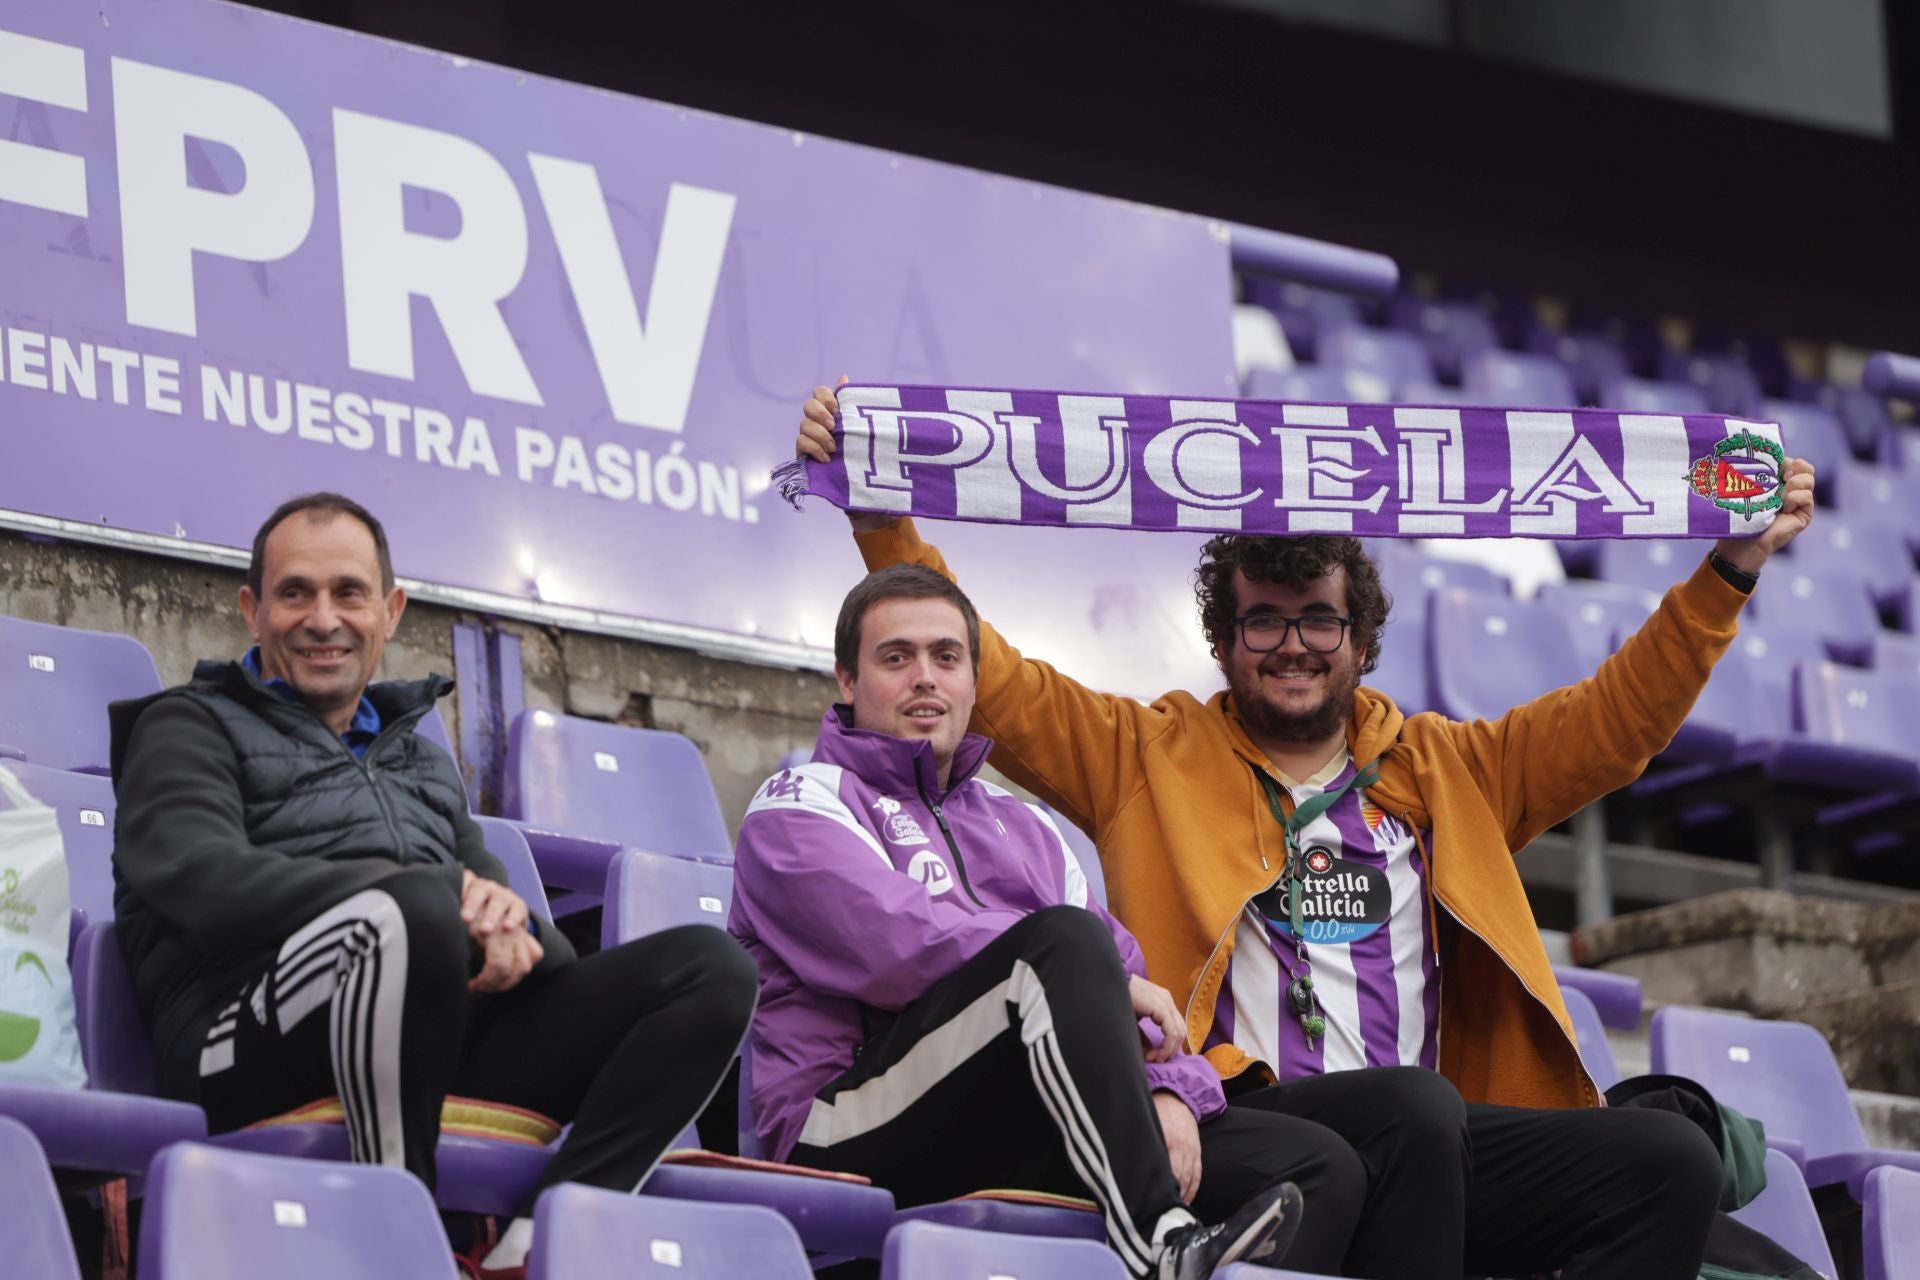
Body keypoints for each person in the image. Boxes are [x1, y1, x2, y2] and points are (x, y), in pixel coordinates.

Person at [794, 377, 1817, 1280]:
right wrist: (883, 515)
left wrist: (1727, 566)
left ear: (1360, 635)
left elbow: (1615, 722)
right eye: (1264, 622)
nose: (1293, 646)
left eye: (1318, 620)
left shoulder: (1452, 766)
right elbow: (994, 677)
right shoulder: (1142, 753)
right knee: (1414, 1109)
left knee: (1664, 1163)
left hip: (1438, 1139)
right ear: (1226, 640)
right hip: (1246, 1122)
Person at [110, 493, 758, 1280]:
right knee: (411, 909)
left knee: (710, 968)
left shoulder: (415, 759)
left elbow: (503, 912)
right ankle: (398, 1246)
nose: (323, 618)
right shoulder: (185, 725)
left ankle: (536, 1248)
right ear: (253, 610)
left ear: (390, 610)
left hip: (433, 1033)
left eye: (348, 593)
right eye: (294, 593)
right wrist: (424, 893)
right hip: (237, 1039)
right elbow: (201, 880)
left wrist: (512, 930)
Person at [729, 564, 1325, 1280]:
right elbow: (896, 943)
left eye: (946, 658)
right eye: (897, 658)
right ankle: (1158, 1242)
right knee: (1060, 948)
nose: (925, 677)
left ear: (972, 685)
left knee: (1320, 1167)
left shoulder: (1028, 827)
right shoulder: (796, 803)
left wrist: (1169, 1089)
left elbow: (1111, 980)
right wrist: (1079, 973)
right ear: (848, 682)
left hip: (1016, 1110)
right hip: (840, 1125)